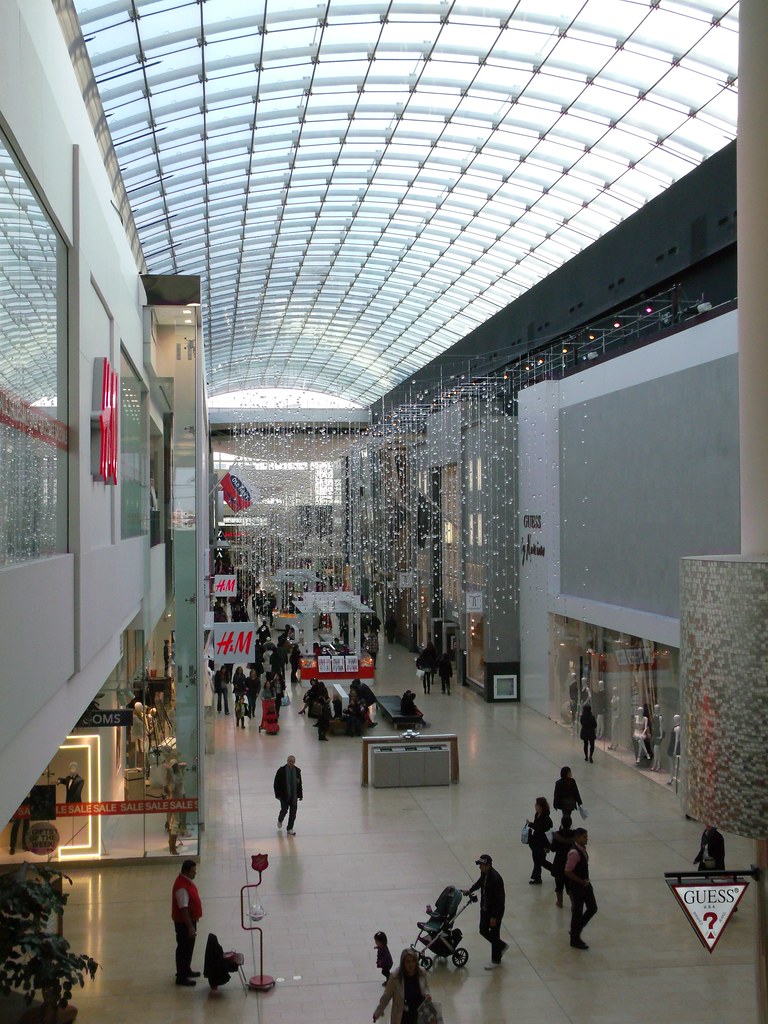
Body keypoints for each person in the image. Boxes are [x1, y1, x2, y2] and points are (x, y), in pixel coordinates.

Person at [463, 853, 508, 969]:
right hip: (485, 908)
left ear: (488, 865)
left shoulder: (495, 879)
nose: (480, 867)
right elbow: (479, 883)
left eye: (481, 865)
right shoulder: (485, 873)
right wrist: (470, 890)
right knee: (483, 930)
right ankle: (500, 945)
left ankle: (496, 960)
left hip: (495, 911)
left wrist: (494, 917)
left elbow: (499, 900)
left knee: (494, 932)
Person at [372, 947, 430, 1024]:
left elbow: (426, 987)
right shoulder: (395, 977)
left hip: (420, 1015)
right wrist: (378, 1012)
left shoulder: (422, 973)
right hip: (403, 1016)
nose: (411, 964)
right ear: (403, 963)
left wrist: (427, 995)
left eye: (413, 961)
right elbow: (386, 996)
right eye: (408, 962)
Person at [171, 859, 202, 985]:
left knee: (189, 948)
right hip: (184, 924)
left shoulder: (186, 882)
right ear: (185, 871)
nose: (195, 873)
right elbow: (183, 909)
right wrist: (190, 927)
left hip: (190, 922)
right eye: (193, 871)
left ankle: (187, 969)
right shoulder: (181, 887)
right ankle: (181, 976)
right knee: (184, 948)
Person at [565, 828, 597, 949]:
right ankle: (575, 939)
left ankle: (575, 930)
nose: (587, 838)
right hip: (578, 886)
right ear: (577, 837)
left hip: (585, 884)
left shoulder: (582, 849)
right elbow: (568, 871)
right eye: (584, 837)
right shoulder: (574, 853)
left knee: (592, 908)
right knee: (577, 912)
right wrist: (580, 881)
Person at [550, 813, 576, 907]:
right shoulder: (574, 835)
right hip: (570, 862)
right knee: (570, 886)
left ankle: (559, 902)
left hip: (559, 863)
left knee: (559, 885)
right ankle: (573, 904)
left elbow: (553, 849)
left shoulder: (557, 835)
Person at [527, 796, 554, 884]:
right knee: (537, 860)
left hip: (542, 843)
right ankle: (537, 877)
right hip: (536, 842)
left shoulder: (546, 818)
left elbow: (542, 830)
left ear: (541, 806)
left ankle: (556, 870)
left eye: (537, 804)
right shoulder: (537, 814)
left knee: (541, 861)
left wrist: (530, 824)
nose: (535, 806)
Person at [274, 755, 302, 835]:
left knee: (293, 813)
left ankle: (290, 828)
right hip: (284, 796)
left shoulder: (297, 771)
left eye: (292, 761)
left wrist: (300, 795)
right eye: (289, 761)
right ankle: (280, 820)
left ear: (294, 762)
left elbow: (299, 784)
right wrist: (277, 795)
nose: (291, 763)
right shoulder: (281, 770)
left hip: (294, 796)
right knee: (284, 810)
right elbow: (276, 783)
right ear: (287, 761)